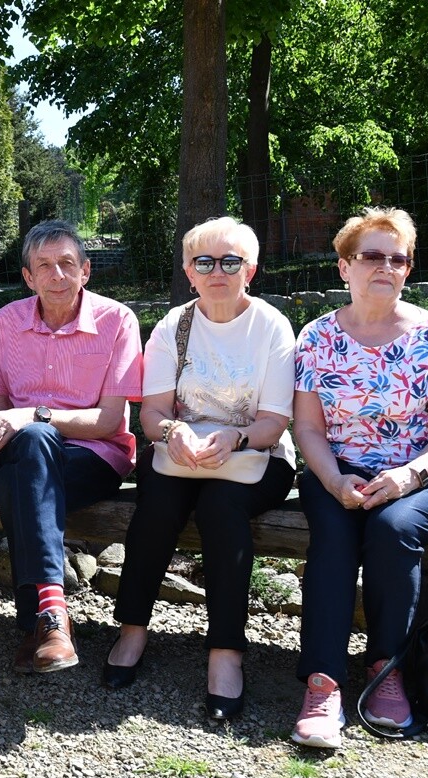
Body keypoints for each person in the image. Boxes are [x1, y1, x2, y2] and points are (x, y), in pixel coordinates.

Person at [290, 207, 428, 749]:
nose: (385, 266)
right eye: (371, 256)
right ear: (344, 267)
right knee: (332, 536)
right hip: (339, 471)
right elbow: (307, 426)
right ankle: (322, 684)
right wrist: (330, 480)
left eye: (398, 258)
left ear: (408, 269)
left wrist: (408, 474)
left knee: (393, 529)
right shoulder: (318, 337)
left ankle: (385, 669)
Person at [103, 217, 297, 720]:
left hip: (254, 457)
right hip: (179, 454)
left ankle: (226, 654)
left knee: (221, 509)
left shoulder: (272, 326)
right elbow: (151, 414)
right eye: (204, 261)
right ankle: (131, 631)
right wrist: (175, 433)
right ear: (189, 271)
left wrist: (234, 436)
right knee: (157, 507)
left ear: (249, 270)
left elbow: (275, 422)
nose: (218, 271)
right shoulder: (173, 326)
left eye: (230, 261)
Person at [0, 219, 143, 674]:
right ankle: (50, 619)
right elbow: (0, 405)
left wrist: (32, 416)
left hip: (95, 455)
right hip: (27, 454)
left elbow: (108, 422)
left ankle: (36, 621)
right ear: (28, 276)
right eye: (44, 265)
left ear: (86, 270)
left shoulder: (116, 320)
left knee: (31, 448)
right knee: (26, 454)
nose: (57, 274)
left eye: (67, 263)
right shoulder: (8, 321)